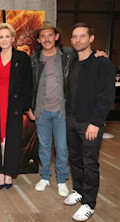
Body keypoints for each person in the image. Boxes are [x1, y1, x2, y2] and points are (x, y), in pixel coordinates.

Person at [64, 23, 115, 222]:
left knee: (90, 163)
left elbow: (106, 96)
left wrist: (96, 122)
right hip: (72, 120)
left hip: (90, 124)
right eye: (75, 36)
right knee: (75, 160)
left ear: (91, 38)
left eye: (82, 36)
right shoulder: (73, 62)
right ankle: (78, 190)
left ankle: (89, 203)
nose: (78, 40)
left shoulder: (102, 63)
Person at [28, 21, 73, 197]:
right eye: (42, 36)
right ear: (38, 40)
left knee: (62, 147)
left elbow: (87, 58)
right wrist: (29, 107)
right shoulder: (34, 59)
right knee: (44, 146)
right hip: (42, 111)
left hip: (61, 111)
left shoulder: (68, 55)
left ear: (56, 37)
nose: (46, 39)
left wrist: (99, 54)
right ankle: (45, 177)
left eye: (49, 35)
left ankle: (61, 180)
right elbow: (29, 85)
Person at [0, 23, 32, 190]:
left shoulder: (22, 58)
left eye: (7, 36)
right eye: (1, 37)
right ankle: (0, 172)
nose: (4, 40)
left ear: (13, 39)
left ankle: (9, 173)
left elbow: (28, 84)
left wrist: (26, 106)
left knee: (11, 140)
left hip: (13, 105)